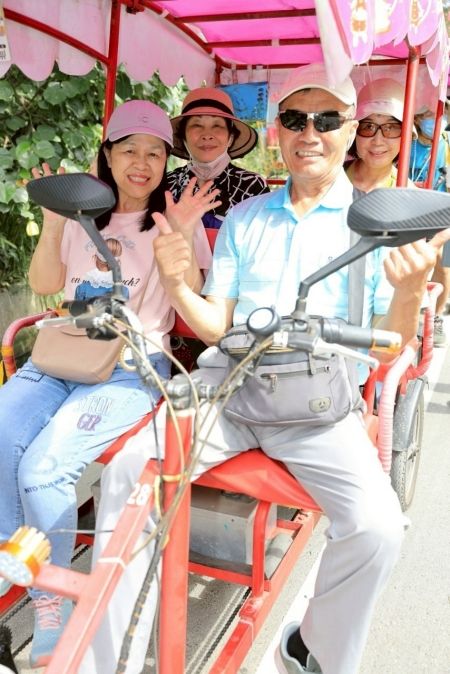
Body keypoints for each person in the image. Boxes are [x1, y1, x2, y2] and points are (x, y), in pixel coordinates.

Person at [79, 64, 449, 674]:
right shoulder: (247, 218)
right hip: (227, 388)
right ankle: (109, 657)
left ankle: (313, 647)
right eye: (296, 119)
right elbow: (214, 327)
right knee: (126, 472)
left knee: (379, 528)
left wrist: (409, 291)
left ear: (349, 130)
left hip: (317, 408)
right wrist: (177, 282)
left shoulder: (372, 221)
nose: (311, 132)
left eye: (327, 120)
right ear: (278, 130)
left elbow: (389, 347)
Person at [0, 99, 218, 667]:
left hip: (129, 368)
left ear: (166, 162)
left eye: (154, 153)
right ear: (109, 155)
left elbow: (192, 305)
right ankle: (14, 561)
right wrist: (55, 222)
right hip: (62, 356)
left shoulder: (174, 220)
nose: (141, 164)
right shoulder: (80, 212)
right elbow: (46, 284)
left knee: (43, 469)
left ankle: (50, 600)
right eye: (129, 151)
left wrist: (182, 237)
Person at [167, 86, 269, 230]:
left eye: (217, 126)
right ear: (183, 138)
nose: (207, 135)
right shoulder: (168, 183)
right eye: (197, 125)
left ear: (230, 138)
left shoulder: (251, 185)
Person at [409, 105, 450, 345]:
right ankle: (411, 313)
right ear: (416, 118)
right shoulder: (407, 144)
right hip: (411, 210)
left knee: (443, 264)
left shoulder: (446, 145)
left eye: (441, 114)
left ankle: (436, 318)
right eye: (428, 115)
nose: (435, 120)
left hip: (441, 210)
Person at [345, 77, 416, 194]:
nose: (378, 141)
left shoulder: (409, 196)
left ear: (406, 136)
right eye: (368, 127)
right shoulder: (328, 177)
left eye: (391, 128)